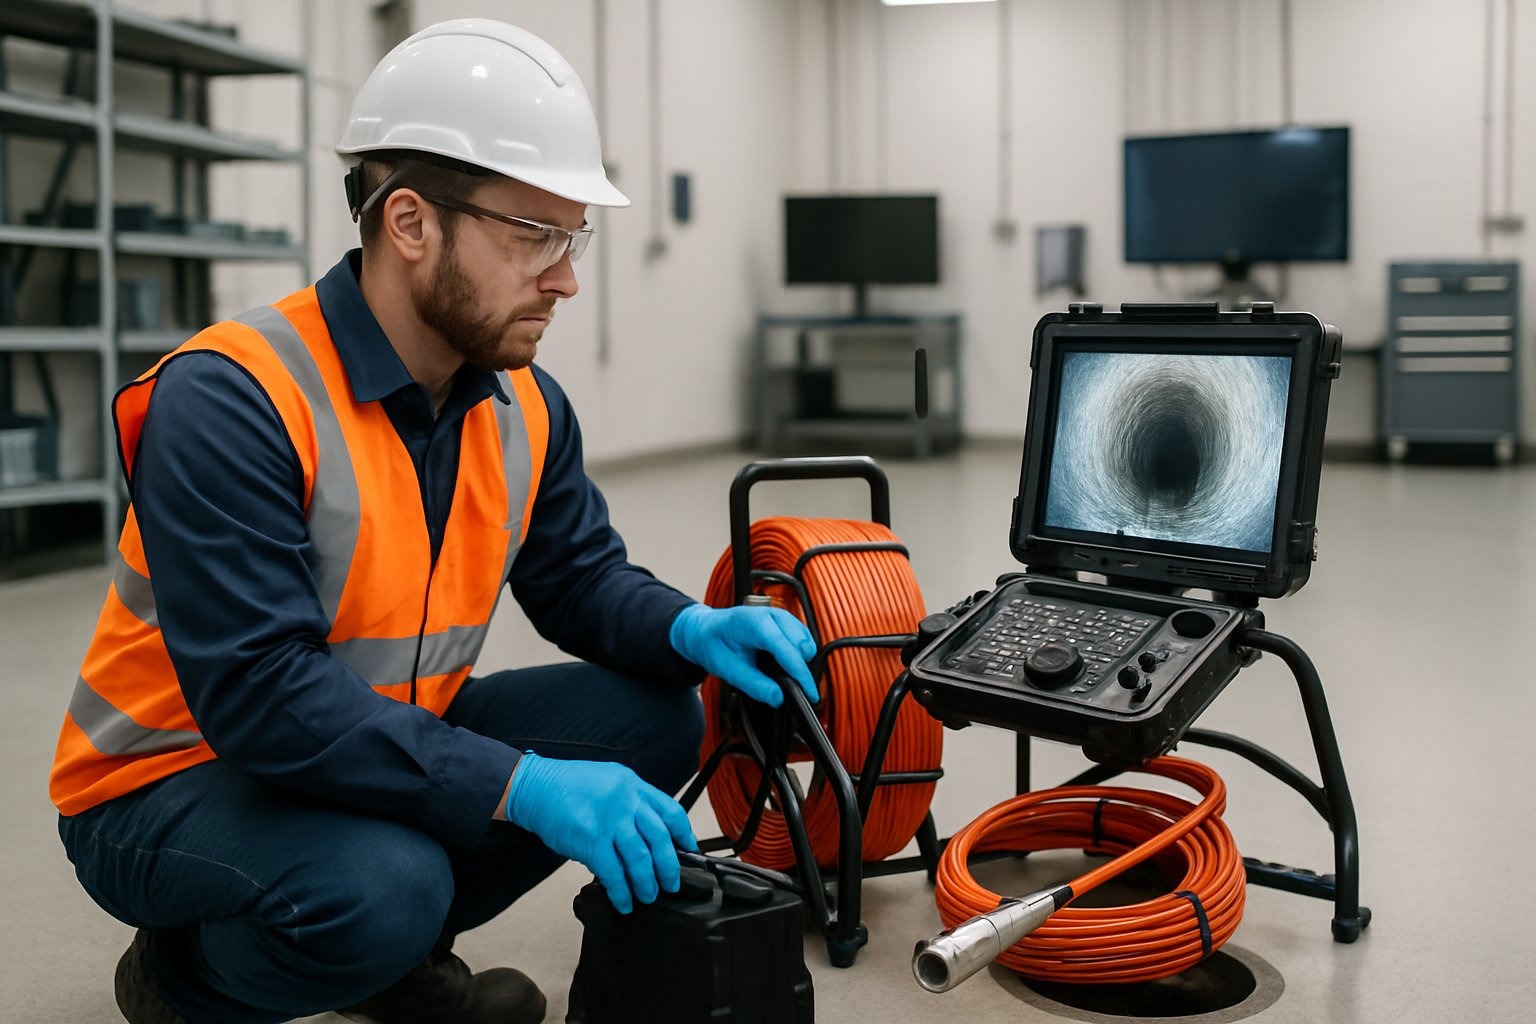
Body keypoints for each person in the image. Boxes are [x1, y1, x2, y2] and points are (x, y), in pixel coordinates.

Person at [49, 20, 819, 1024]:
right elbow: (261, 696)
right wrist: (525, 786)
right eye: (532, 235)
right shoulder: (234, 396)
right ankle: (187, 976)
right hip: (170, 779)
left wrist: (690, 629)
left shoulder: (520, 402)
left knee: (658, 714)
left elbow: (578, 578)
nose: (566, 277)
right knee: (389, 883)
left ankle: (388, 947)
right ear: (410, 223)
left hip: (365, 740)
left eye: (571, 237)